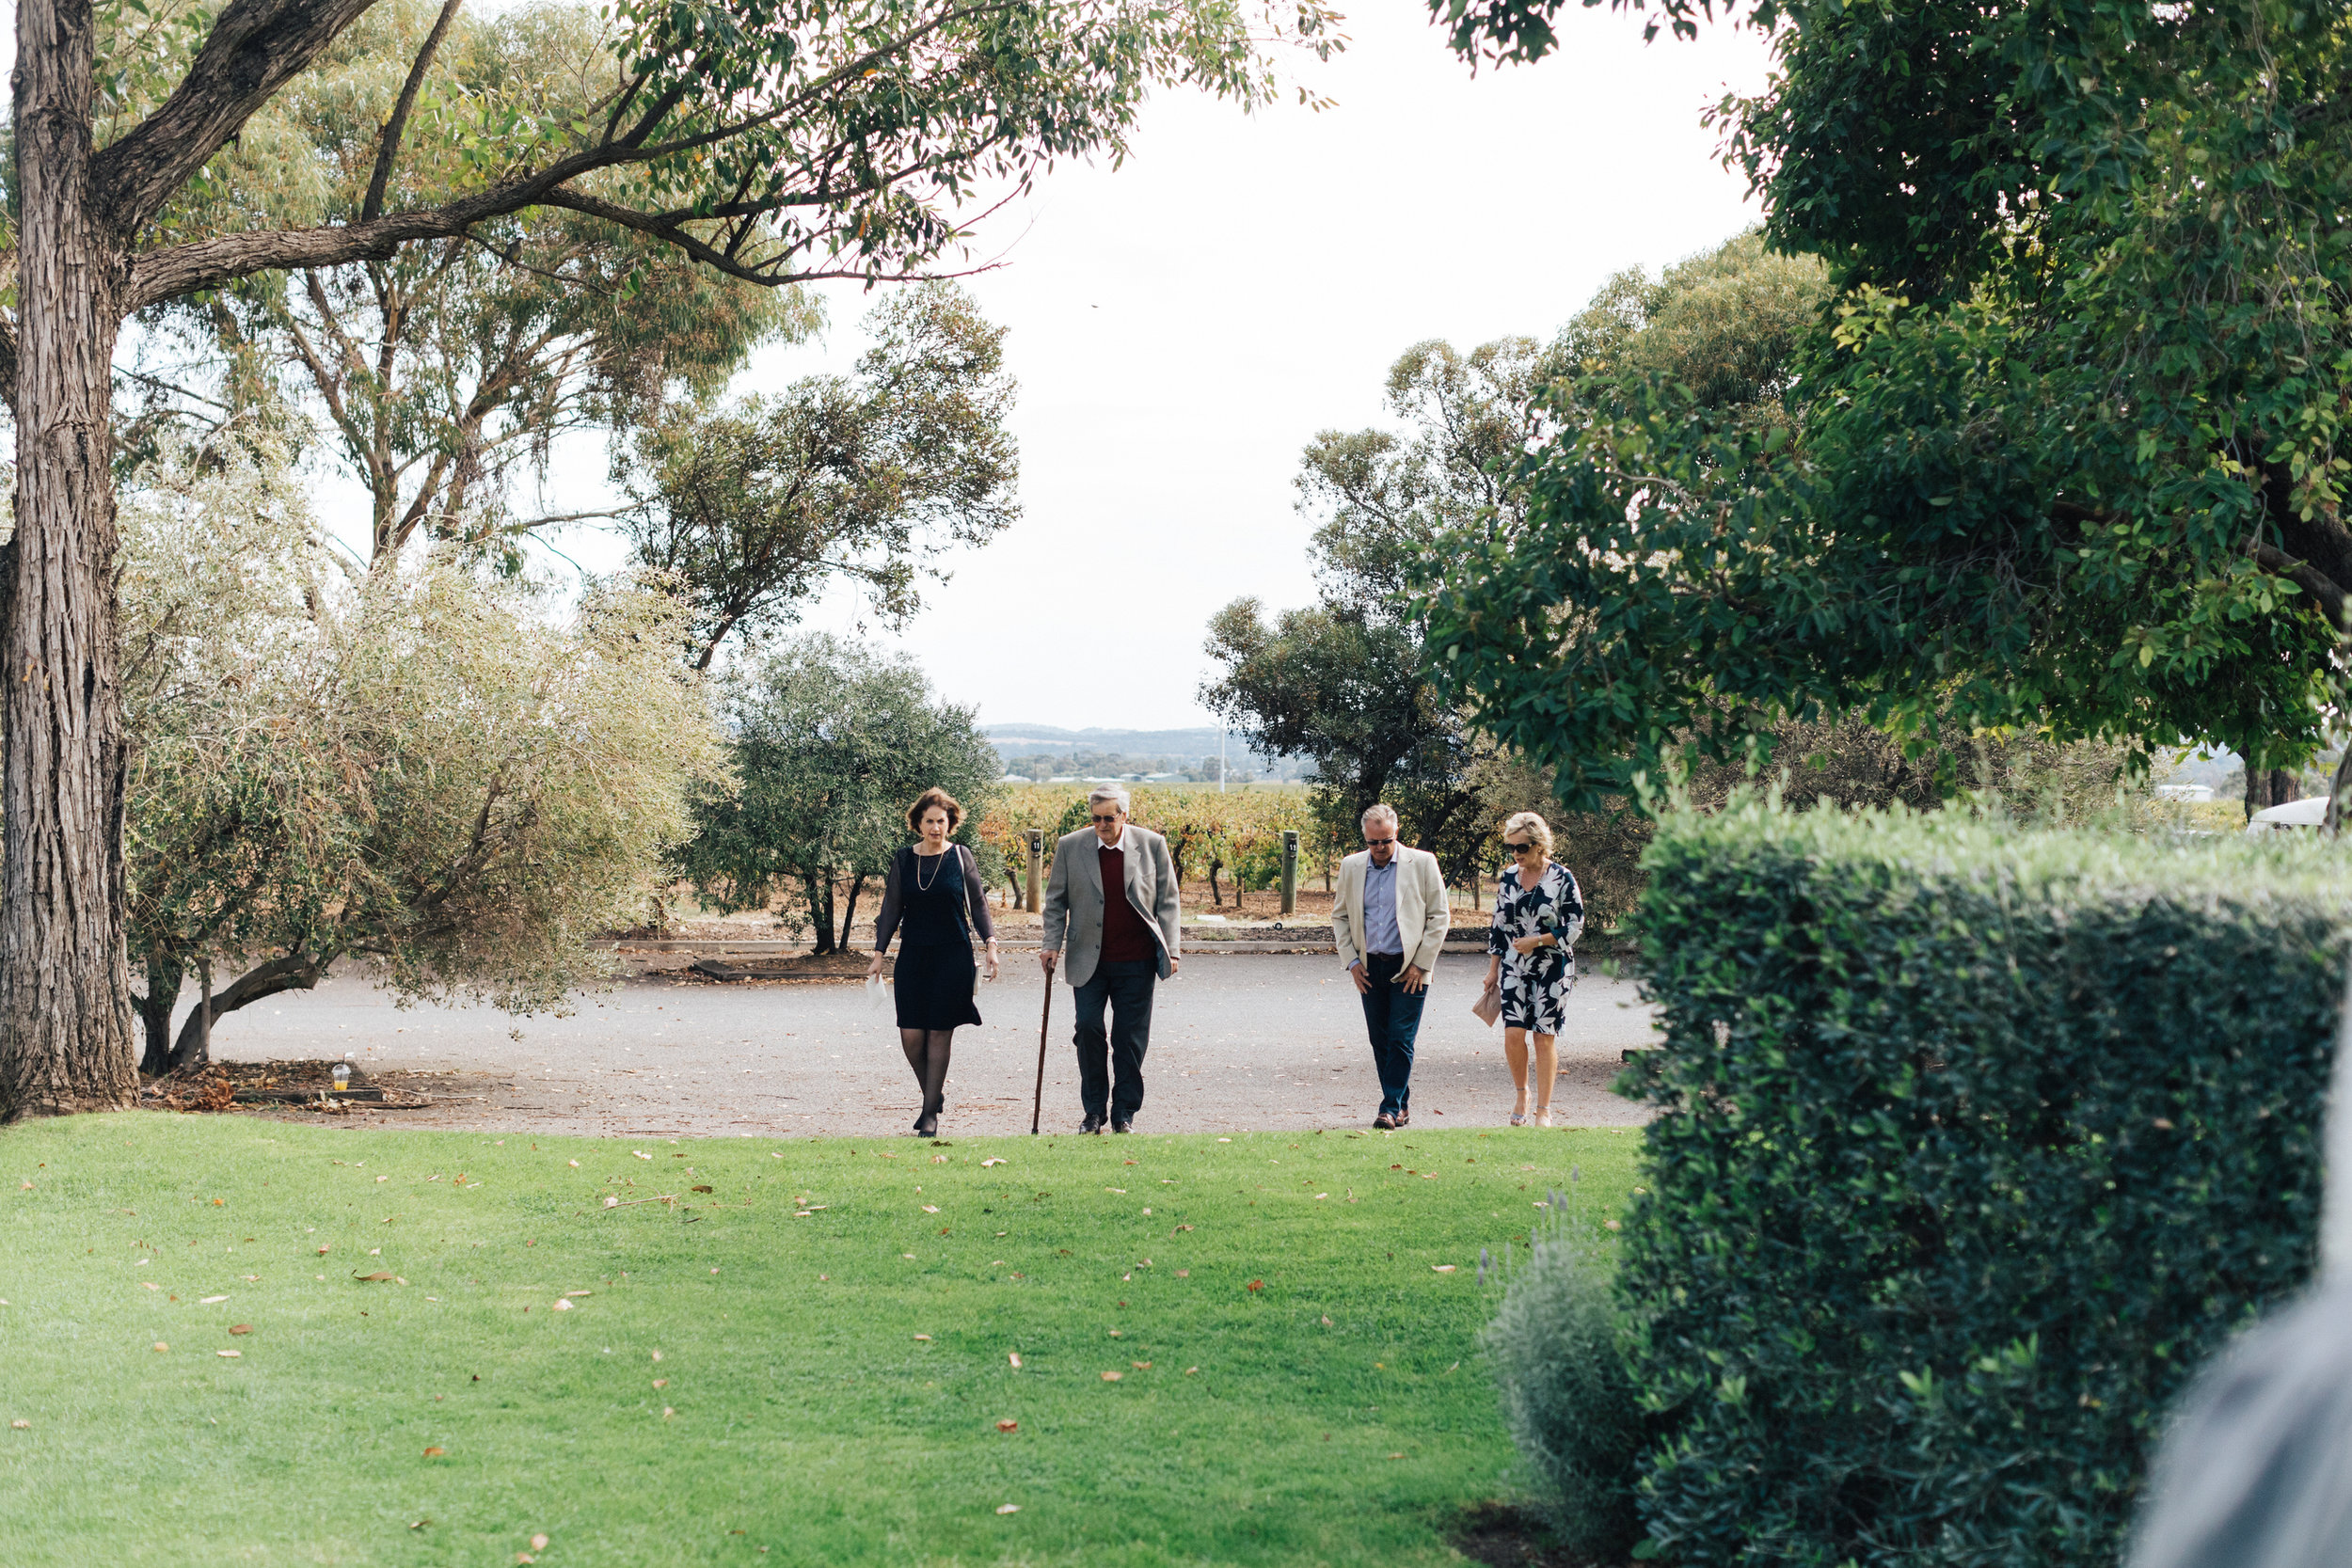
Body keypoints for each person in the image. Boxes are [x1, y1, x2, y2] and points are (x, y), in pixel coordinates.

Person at [1041, 784, 1180, 1132]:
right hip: (1088, 959)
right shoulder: (1071, 847)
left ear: (1124, 816)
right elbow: (1056, 901)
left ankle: (1124, 1114)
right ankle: (1093, 1111)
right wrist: (1050, 944)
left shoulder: (1152, 845)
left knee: (1129, 1039)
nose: (1102, 825)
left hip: (1137, 959)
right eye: (1096, 818)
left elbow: (1168, 901)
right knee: (1088, 1030)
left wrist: (1172, 949)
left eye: (1109, 818)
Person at [867, 787, 999, 1137]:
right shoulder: (904, 860)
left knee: (940, 1033)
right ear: (918, 824)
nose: (936, 827)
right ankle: (933, 1093)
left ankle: (929, 1115)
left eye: (942, 821)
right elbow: (891, 908)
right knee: (911, 1036)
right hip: (914, 955)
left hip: (953, 954)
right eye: (930, 821)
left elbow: (979, 904)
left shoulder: (960, 857)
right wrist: (879, 955)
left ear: (950, 823)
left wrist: (990, 944)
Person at [1331, 802, 1451, 1130]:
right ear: (1365, 839)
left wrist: (1421, 964)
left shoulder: (1422, 863)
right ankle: (1401, 1104)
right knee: (1380, 1039)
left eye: (1386, 841)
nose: (1381, 848)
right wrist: (1352, 962)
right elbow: (1340, 917)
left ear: (1396, 834)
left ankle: (1388, 1108)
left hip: (1410, 967)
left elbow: (1439, 917)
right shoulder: (1352, 867)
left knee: (1400, 1038)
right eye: (1374, 842)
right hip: (1370, 967)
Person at [1485, 811, 1584, 1128]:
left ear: (1539, 845)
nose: (1516, 854)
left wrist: (1538, 941)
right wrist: (1492, 970)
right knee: (1513, 1032)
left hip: (1553, 965)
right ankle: (1521, 1093)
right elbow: (1499, 926)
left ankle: (1544, 1109)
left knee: (1544, 1036)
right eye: (1511, 848)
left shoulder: (1561, 877)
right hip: (1514, 965)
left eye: (1522, 847)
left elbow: (1575, 924)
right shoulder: (1509, 877)